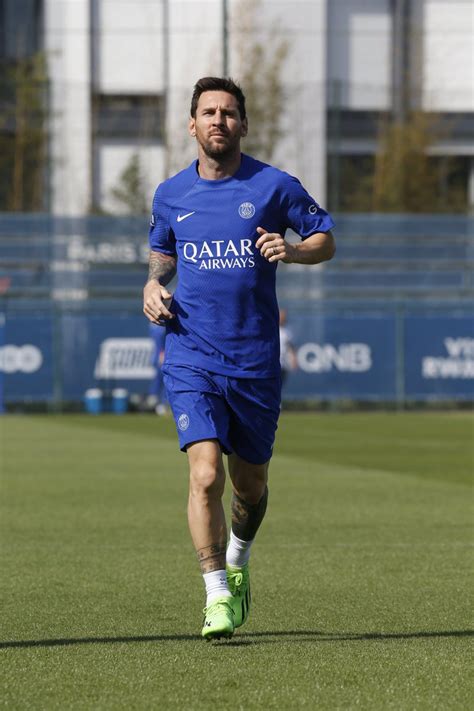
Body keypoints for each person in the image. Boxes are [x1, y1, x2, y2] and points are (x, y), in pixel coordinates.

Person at [143, 77, 335, 640]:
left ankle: (239, 559)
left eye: (229, 113)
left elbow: (325, 235)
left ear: (243, 125)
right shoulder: (170, 193)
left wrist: (294, 251)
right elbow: (162, 254)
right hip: (189, 352)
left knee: (248, 487)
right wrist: (153, 286)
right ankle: (215, 595)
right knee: (205, 475)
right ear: (192, 125)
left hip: (253, 362)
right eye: (208, 112)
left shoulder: (274, 186)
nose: (218, 121)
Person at [146, 322, 168, 415]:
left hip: (162, 356)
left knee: (163, 380)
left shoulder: (159, 327)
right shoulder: (156, 328)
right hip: (159, 356)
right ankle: (156, 400)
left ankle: (160, 402)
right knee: (160, 379)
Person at [279, 308, 298, 387]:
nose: (282, 318)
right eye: (281, 316)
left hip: (283, 364)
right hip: (271, 365)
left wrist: (294, 360)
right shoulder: (270, 330)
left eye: (284, 316)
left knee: (280, 386)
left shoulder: (286, 332)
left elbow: (291, 347)